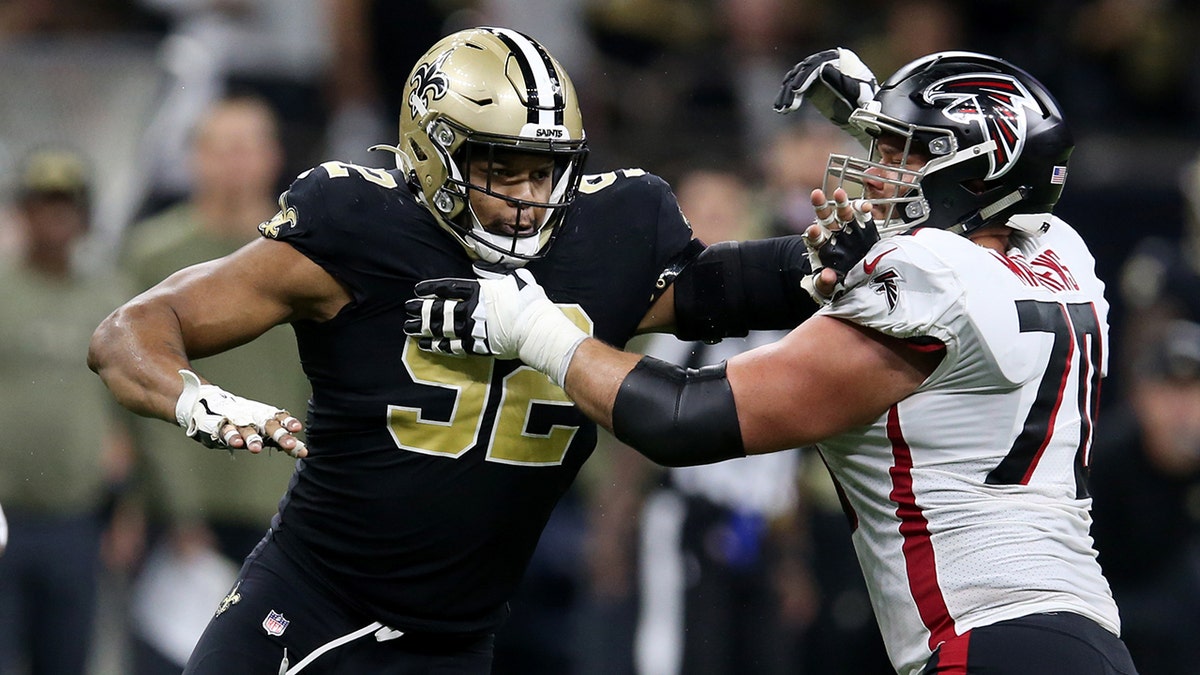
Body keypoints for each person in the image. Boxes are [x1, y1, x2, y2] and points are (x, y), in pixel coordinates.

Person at [87, 27, 865, 674]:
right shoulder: (357, 223)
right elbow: (130, 330)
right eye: (502, 168)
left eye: (545, 169)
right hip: (303, 607)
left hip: (454, 639)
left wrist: (839, 256)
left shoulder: (612, 235)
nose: (528, 197)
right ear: (434, 155)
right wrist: (190, 394)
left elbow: (725, 287)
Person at [405, 50, 1140, 674]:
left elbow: (684, 419)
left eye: (904, 152)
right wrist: (870, 111)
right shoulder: (1060, 257)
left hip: (991, 639)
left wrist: (530, 326)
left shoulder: (927, 286)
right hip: (1088, 638)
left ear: (974, 176)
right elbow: (983, 210)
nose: (878, 167)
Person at [120, 94, 310, 674]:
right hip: (176, 499)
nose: (233, 163)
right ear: (195, 158)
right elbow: (126, 374)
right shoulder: (154, 254)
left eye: (246, 147)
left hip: (279, 499)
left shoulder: (302, 254)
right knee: (162, 657)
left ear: (272, 156)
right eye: (220, 148)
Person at [0, 148, 136, 675]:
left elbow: (130, 409)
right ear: (22, 212)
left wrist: (128, 506)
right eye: (43, 204)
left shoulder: (112, 297)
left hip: (77, 517)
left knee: (68, 659)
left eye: (67, 205)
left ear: (85, 217)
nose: (56, 217)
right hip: (5, 511)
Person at [1088, 319, 1200, 674]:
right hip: (1120, 619)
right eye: (1168, 391)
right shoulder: (1104, 462)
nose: (1183, 409)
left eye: (1194, 391)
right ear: (1140, 396)